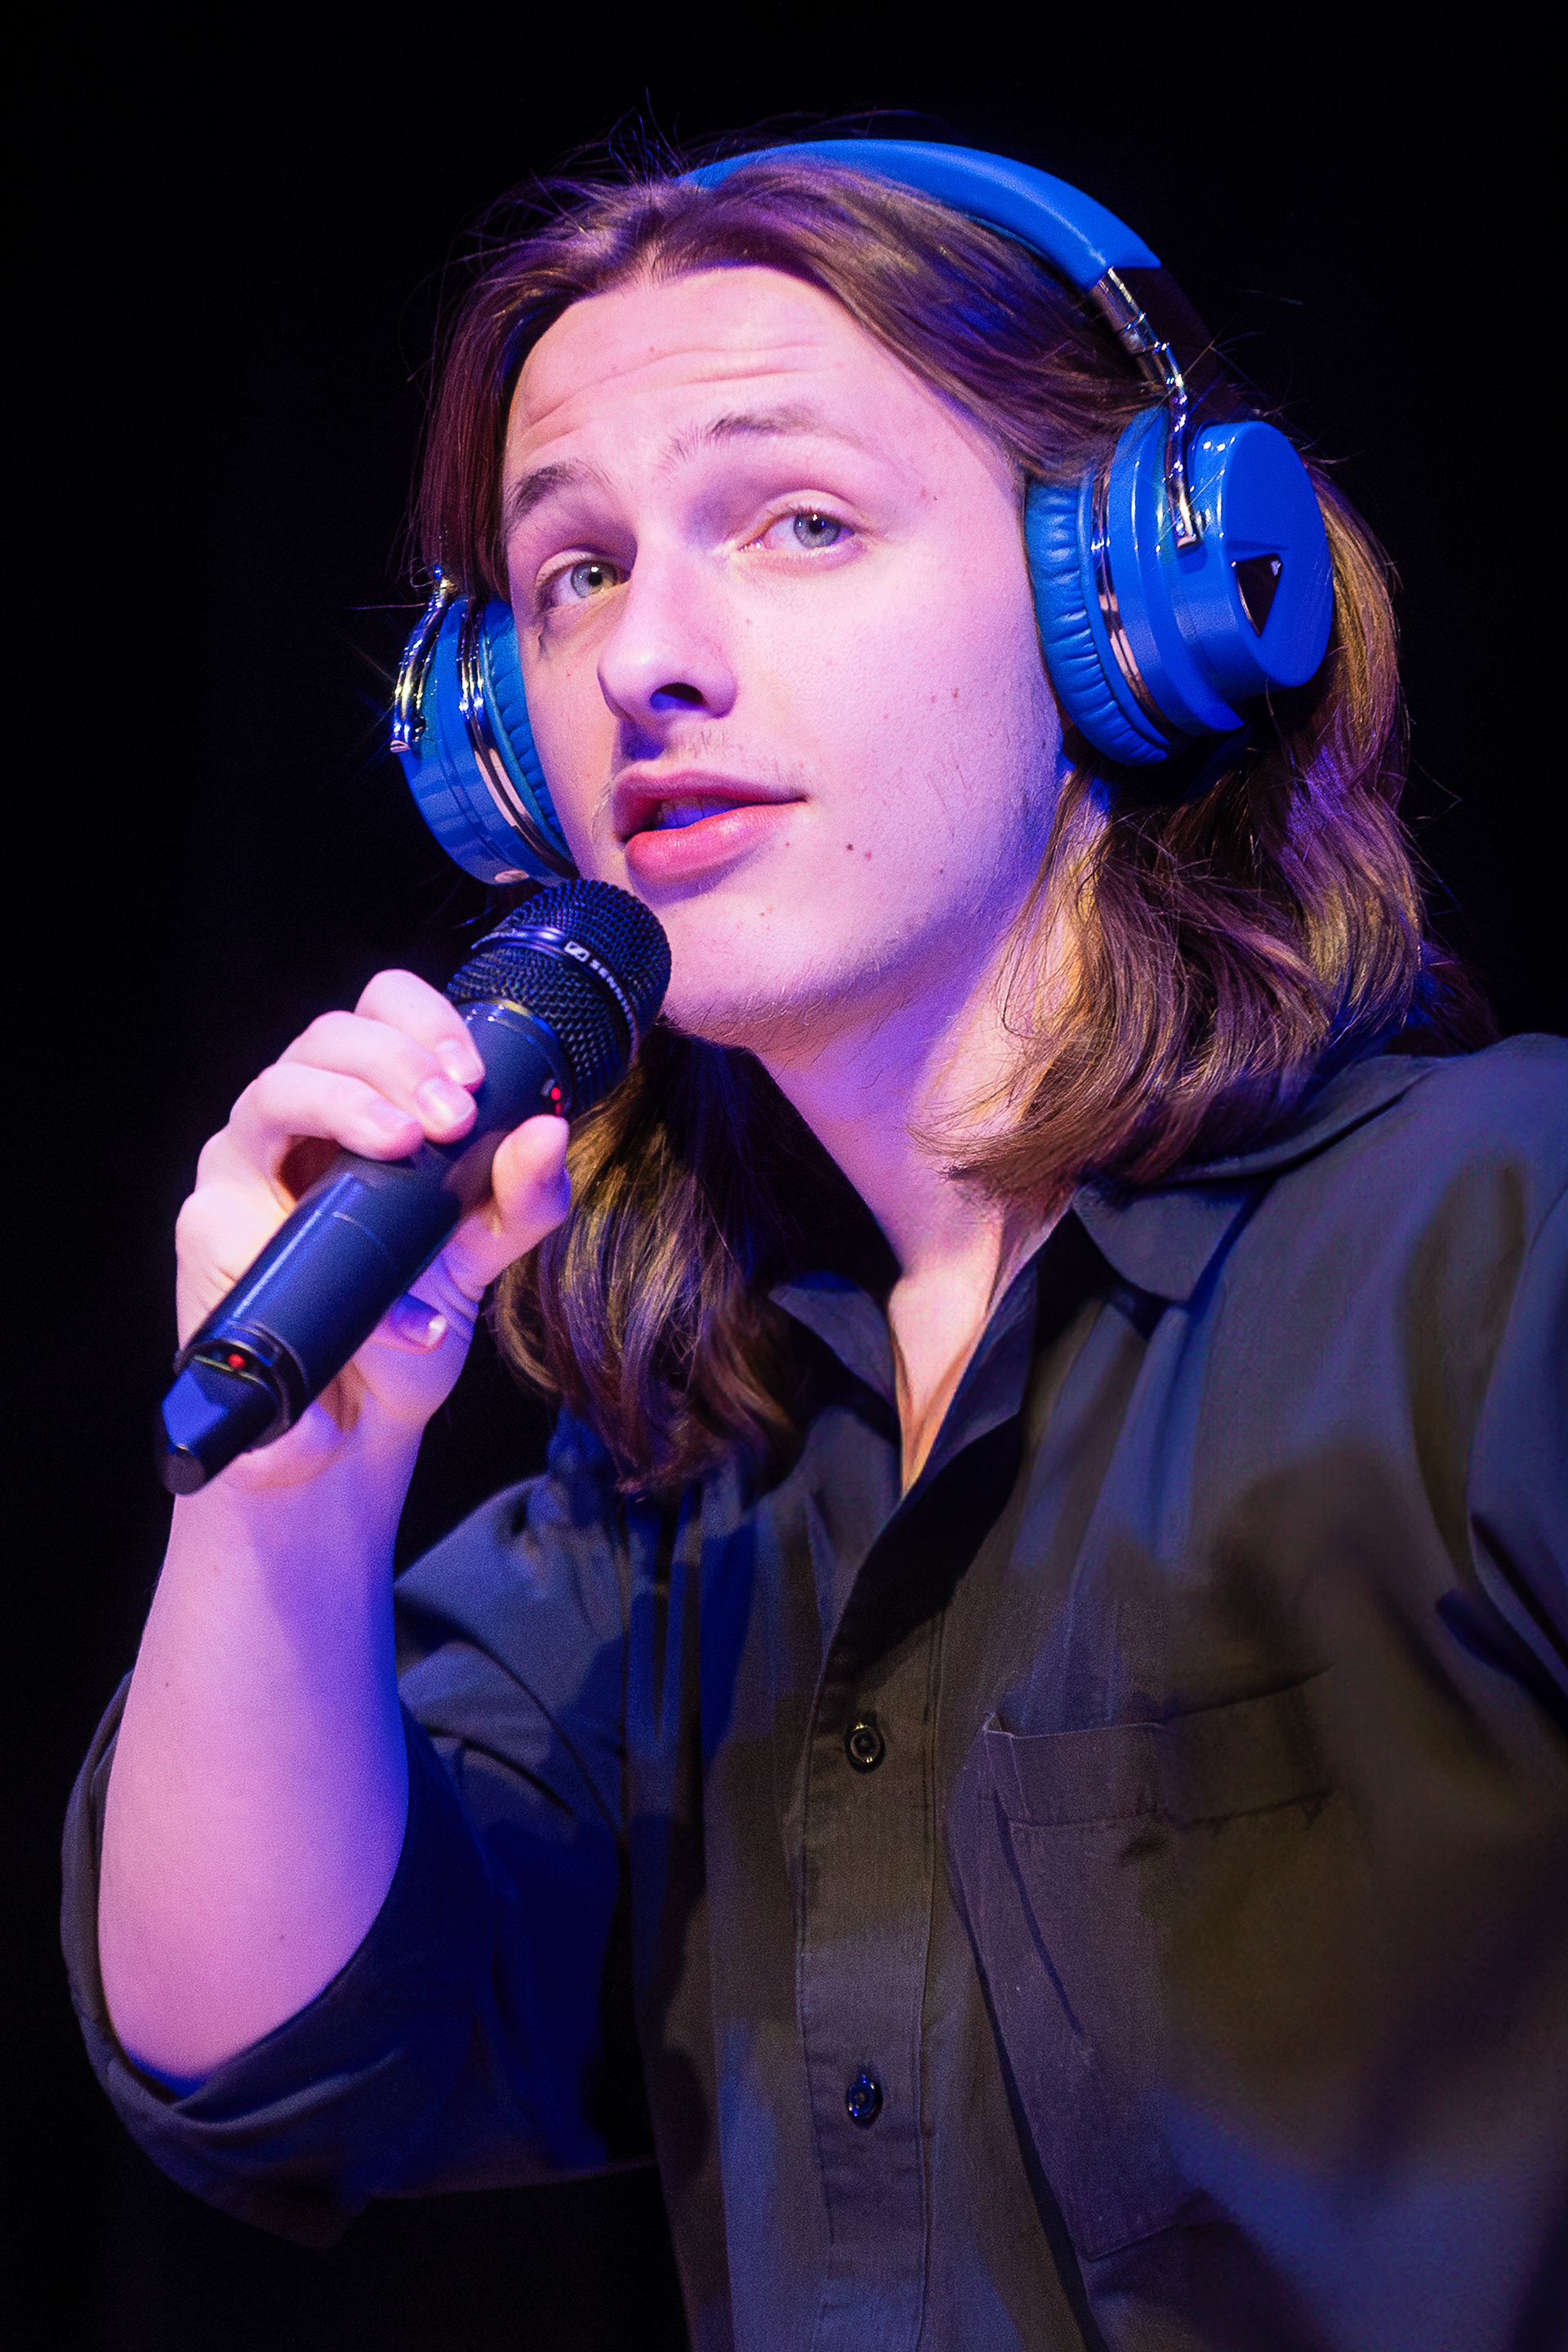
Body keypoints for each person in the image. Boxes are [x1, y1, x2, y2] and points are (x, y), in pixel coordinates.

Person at [65, 146, 1566, 2352]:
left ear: (1129, 604)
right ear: (494, 744)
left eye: (800, 525)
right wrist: (290, 1497)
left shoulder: (1501, 1240)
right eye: (568, 576)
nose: (647, 661)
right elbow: (256, 2058)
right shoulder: (685, 1490)